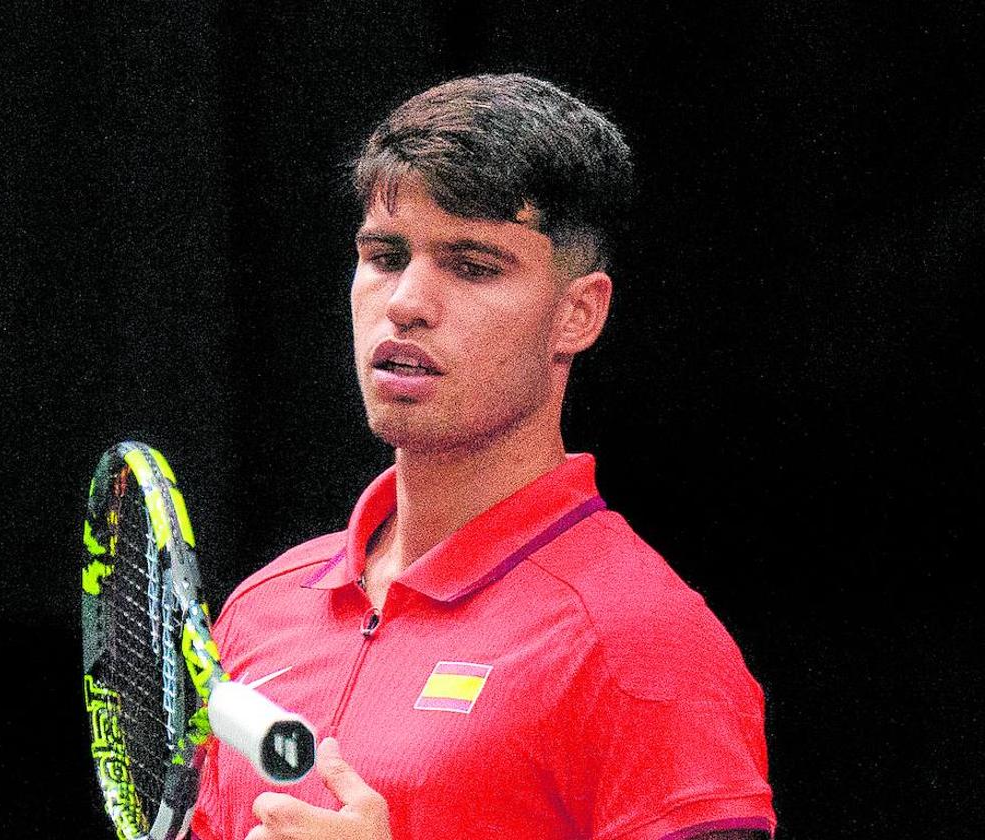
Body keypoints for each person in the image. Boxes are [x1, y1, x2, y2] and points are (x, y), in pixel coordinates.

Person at [187, 73, 775, 840]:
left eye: (473, 266)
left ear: (578, 313)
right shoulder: (260, 611)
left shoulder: (640, 644)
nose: (407, 301)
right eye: (385, 255)